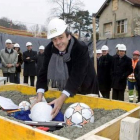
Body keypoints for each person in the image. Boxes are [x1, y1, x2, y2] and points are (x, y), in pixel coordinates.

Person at [36, 18, 99, 118]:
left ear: (68, 36)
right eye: (54, 39)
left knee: (86, 113)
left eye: (61, 37)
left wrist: (61, 99)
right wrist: (39, 94)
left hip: (86, 84)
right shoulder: (50, 49)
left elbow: (78, 75)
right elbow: (43, 71)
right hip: (68, 86)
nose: (58, 42)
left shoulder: (80, 48)